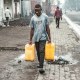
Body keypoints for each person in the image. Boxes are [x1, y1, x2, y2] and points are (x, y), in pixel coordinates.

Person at [29, 4, 51, 74]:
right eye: (35, 10)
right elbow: (32, 29)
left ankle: (41, 66)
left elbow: (47, 28)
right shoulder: (33, 18)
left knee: (41, 50)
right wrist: (30, 39)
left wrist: (49, 38)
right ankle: (40, 62)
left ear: (41, 9)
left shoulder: (45, 17)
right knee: (38, 52)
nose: (36, 12)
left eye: (38, 10)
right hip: (36, 38)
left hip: (43, 37)